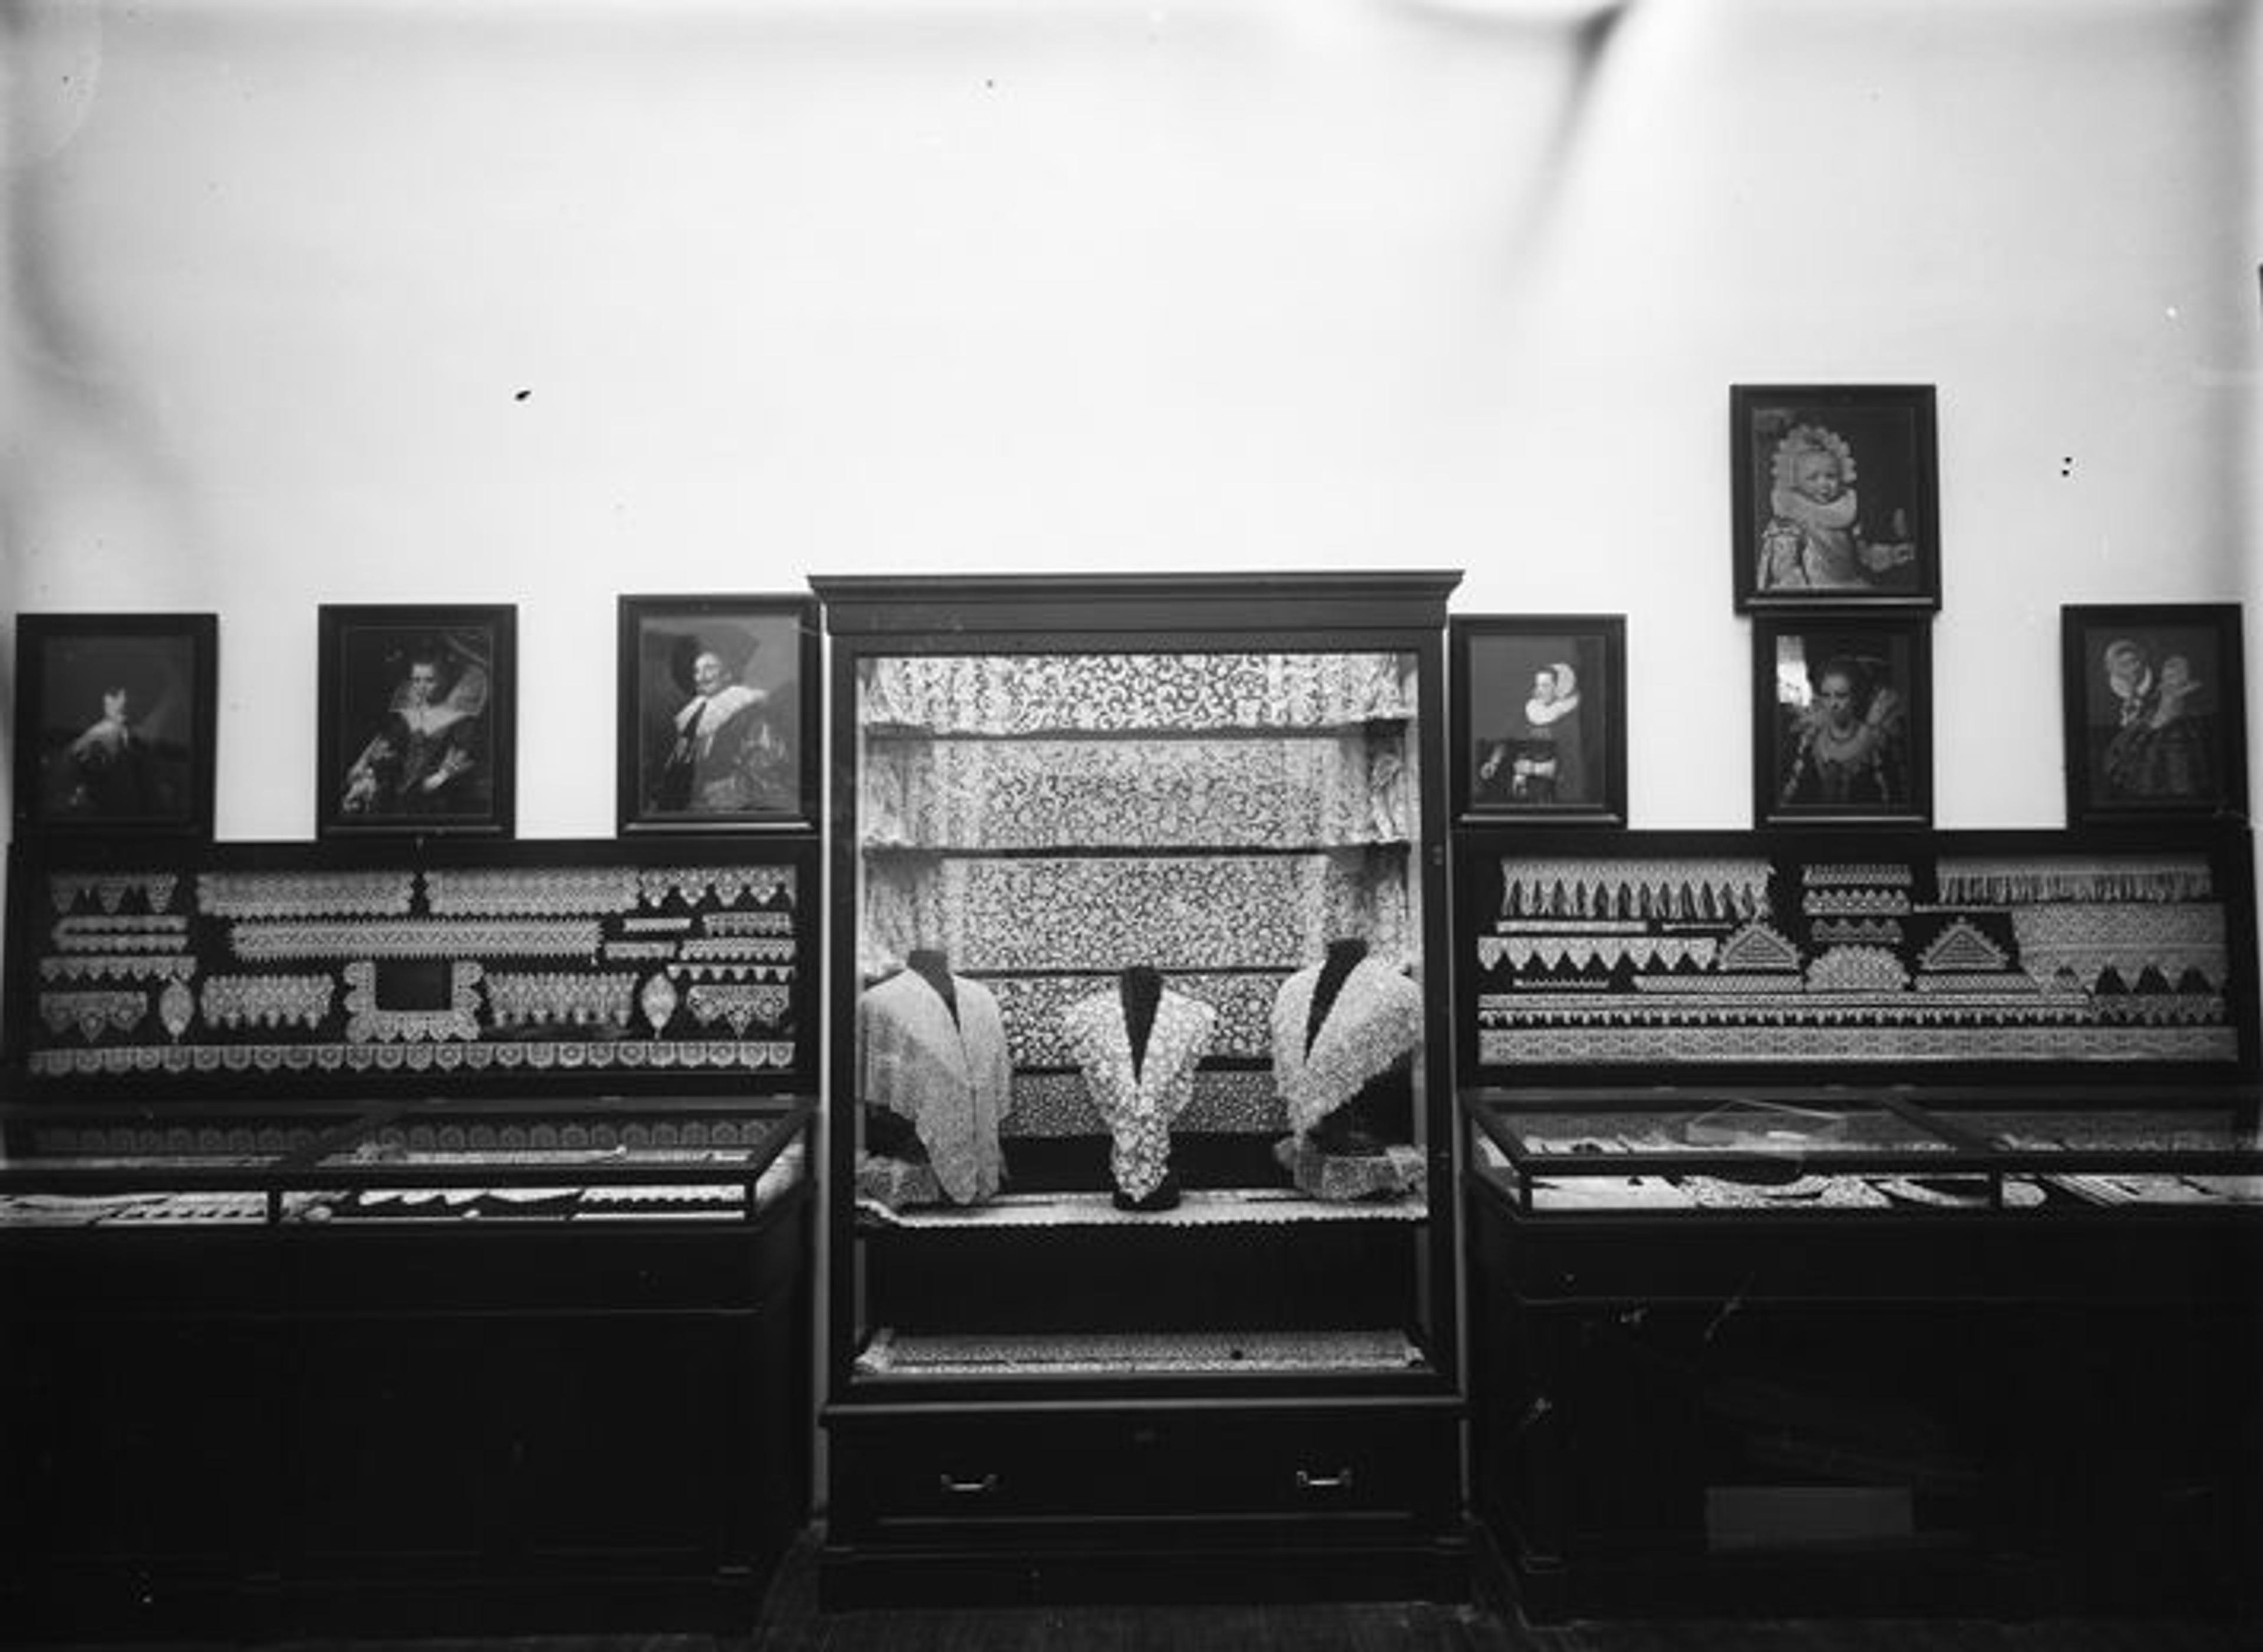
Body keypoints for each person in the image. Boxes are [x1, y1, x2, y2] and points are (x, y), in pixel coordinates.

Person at [1755, 423, 1917, 592]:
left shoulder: (1845, 514)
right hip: (1814, 591)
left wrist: (1891, 555)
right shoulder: (1789, 522)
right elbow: (1784, 571)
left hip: (1850, 586)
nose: (1824, 484)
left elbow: (1863, 557)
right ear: (1795, 482)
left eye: (1830, 476)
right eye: (1813, 478)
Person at [340, 649, 487, 818]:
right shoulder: (408, 714)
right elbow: (387, 742)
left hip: (434, 797)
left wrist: (439, 778)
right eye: (416, 680)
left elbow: (463, 756)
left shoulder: (458, 718)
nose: (421, 687)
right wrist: (365, 767)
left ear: (444, 679)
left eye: (430, 681)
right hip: (399, 791)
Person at [652, 642, 794, 814]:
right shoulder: (693, 714)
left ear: (728, 674)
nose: (701, 677)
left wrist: (732, 789)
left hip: (732, 812)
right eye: (697, 671)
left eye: (710, 668)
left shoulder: (749, 713)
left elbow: (770, 770)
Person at [1779, 655, 1905, 807]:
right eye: (1826, 696)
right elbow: (1790, 797)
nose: (1833, 704)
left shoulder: (1874, 740)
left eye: (1841, 696)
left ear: (1856, 697)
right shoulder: (1810, 738)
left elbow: (1891, 800)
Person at [2098, 637, 2215, 801]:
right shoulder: (2159, 690)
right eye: (2124, 665)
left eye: (2135, 661)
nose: (2132, 668)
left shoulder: (2173, 693)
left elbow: (2164, 715)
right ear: (2111, 668)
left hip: (2164, 730)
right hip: (2146, 725)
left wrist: (2149, 725)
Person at [1476, 662, 1585, 805]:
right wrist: (1493, 762)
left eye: (1545, 686)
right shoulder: (1530, 711)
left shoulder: (1567, 720)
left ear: (1557, 688)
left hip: (1550, 793)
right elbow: (1507, 739)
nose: (1539, 690)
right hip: (1521, 787)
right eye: (1538, 685)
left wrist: (1533, 769)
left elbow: (1569, 766)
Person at [56, 682, 166, 816]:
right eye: (124, 696)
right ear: (108, 700)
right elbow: (75, 773)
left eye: (136, 697)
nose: (132, 702)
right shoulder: (103, 735)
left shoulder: (129, 734)